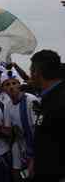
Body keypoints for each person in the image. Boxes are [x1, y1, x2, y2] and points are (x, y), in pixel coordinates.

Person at [30, 50, 65, 182]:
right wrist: (36, 160)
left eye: (31, 70)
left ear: (37, 72)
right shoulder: (48, 98)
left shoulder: (61, 100)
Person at [0, 67, 38, 181]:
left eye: (14, 83)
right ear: (3, 89)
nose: (11, 87)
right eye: (7, 84)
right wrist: (0, 130)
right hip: (20, 147)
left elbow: (40, 131)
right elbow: (9, 130)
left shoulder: (30, 100)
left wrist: (34, 159)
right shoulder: (7, 105)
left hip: (37, 148)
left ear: (19, 85)